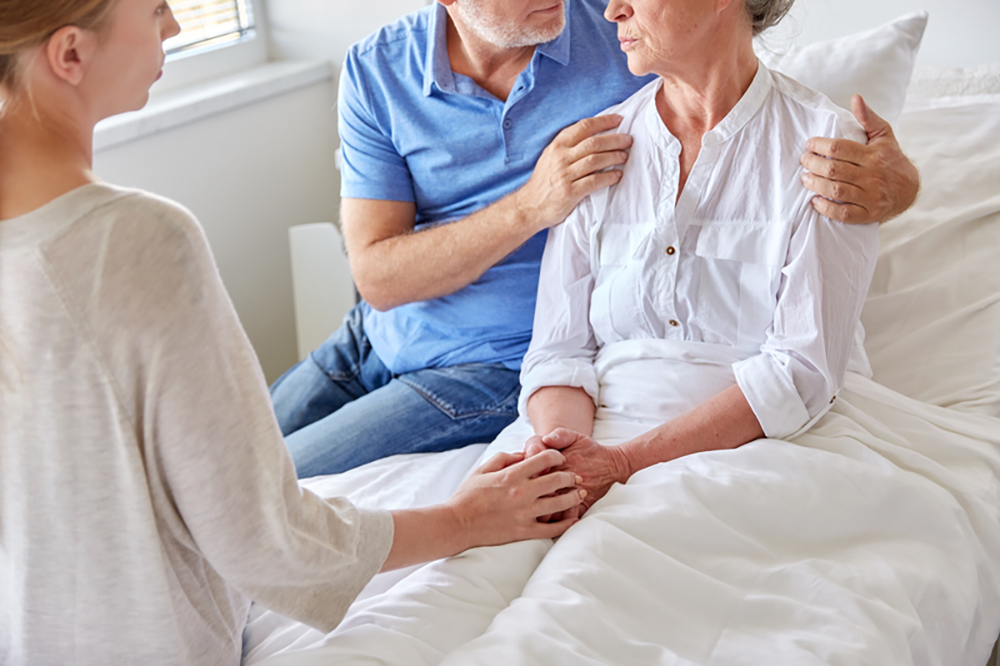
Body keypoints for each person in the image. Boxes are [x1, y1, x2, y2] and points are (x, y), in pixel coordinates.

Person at [0, 1, 585, 663]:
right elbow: (263, 534)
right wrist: (468, 519)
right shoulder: (139, 240)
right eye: (157, 7)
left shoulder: (616, 38)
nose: (175, 25)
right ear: (70, 54)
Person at [270, 0, 921, 479]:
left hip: (493, 363)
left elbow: (733, 83)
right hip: (376, 338)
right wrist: (533, 203)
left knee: (272, 484)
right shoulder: (378, 68)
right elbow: (379, 279)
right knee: (188, 463)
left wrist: (902, 180)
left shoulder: (618, 35)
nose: (613, 9)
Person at [518, 0, 880, 514]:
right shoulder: (596, 145)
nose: (612, 11)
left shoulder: (828, 149)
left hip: (760, 449)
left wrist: (621, 465)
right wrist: (562, 460)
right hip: (586, 440)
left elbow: (803, 370)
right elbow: (559, 353)